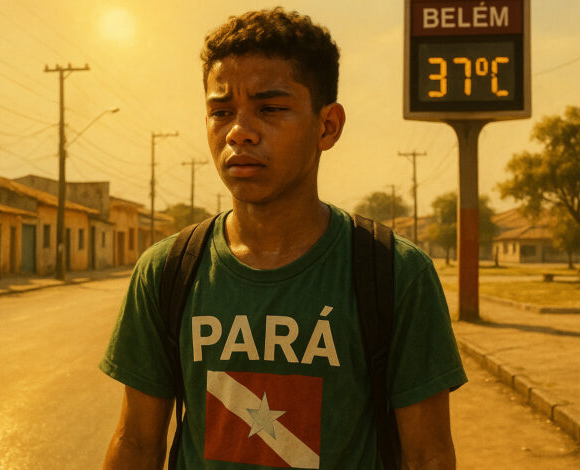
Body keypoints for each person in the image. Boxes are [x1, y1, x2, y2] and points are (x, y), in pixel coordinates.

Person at [100, 7, 467, 470]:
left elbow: (427, 456)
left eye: (270, 109)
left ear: (327, 126)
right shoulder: (167, 270)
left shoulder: (395, 273)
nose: (239, 132)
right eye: (221, 112)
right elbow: (136, 444)